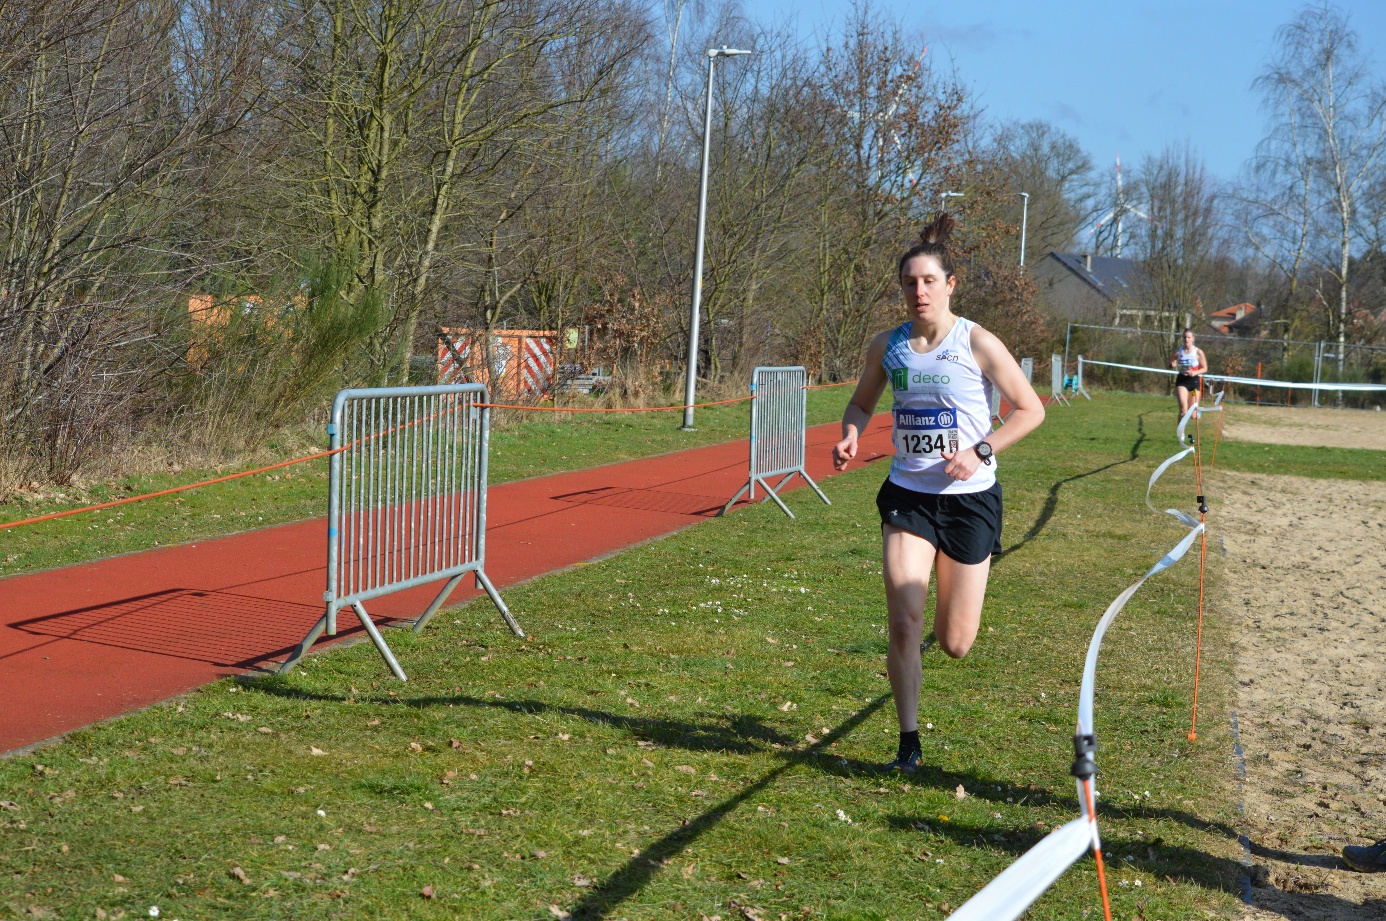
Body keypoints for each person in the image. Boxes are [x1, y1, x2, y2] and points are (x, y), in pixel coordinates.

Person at [831, 213, 1046, 774]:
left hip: (970, 499)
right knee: (903, 620)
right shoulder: (888, 345)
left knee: (955, 642)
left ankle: (952, 614)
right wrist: (852, 432)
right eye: (909, 283)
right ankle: (908, 741)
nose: (918, 291)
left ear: (950, 286)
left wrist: (980, 451)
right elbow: (861, 402)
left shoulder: (976, 341)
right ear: (900, 289)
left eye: (929, 281)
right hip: (909, 495)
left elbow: (1031, 410)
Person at [1168, 329, 1208, 433]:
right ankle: (1181, 433)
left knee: (1192, 414)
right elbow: (1170, 363)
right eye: (1185, 337)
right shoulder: (1178, 351)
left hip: (1194, 382)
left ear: (1193, 339)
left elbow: (1204, 368)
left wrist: (1195, 373)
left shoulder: (1198, 352)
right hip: (1182, 381)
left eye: (1189, 337)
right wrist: (1171, 365)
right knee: (1183, 408)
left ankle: (1196, 411)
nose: (1186, 339)